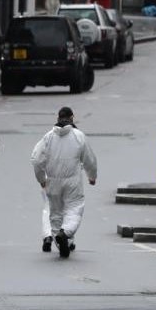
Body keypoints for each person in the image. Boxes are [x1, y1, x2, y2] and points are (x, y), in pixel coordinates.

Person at [32, 106, 98, 258]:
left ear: (57, 118)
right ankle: (65, 233)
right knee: (74, 209)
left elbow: (36, 160)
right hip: (72, 182)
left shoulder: (48, 137)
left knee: (55, 213)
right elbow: (90, 159)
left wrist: (41, 179)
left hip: (52, 182)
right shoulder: (78, 136)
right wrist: (92, 176)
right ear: (72, 118)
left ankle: (59, 240)